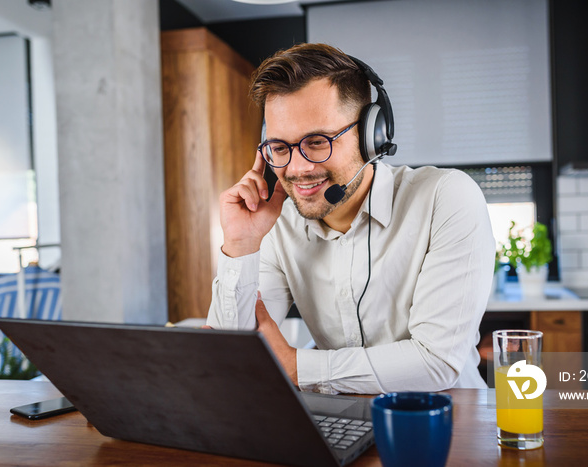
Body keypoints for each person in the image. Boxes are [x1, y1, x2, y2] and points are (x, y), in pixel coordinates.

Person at [206, 43, 494, 394]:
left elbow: (436, 362)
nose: (297, 169)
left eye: (317, 141)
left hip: (451, 425)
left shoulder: (445, 198)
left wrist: (299, 367)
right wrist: (241, 244)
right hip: (339, 426)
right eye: (280, 148)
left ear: (371, 135)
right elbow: (226, 360)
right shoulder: (277, 225)